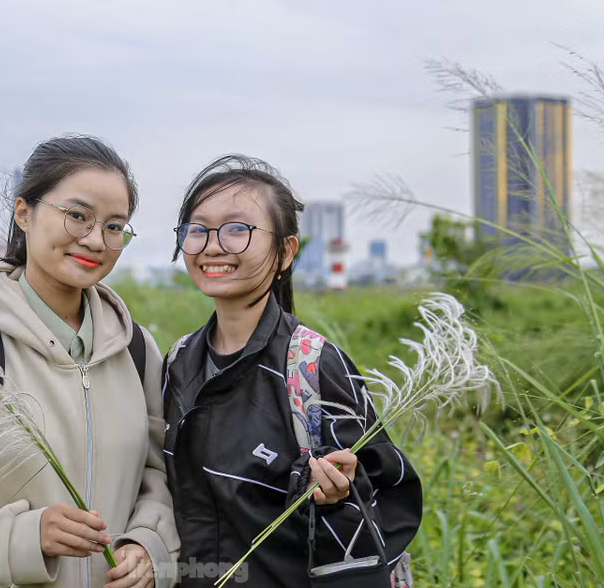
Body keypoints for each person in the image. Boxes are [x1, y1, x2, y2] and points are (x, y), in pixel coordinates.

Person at [0, 135, 179, 588]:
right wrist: (27, 537)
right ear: (24, 213)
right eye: (77, 216)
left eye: (115, 226)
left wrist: (147, 546)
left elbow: (156, 476)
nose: (96, 240)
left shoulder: (136, 350)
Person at [161, 155, 422, 587]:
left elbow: (387, 498)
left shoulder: (313, 366)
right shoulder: (179, 361)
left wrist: (339, 498)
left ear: (285, 251)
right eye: (198, 229)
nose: (212, 245)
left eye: (237, 229)